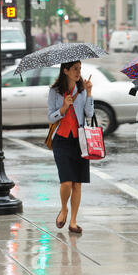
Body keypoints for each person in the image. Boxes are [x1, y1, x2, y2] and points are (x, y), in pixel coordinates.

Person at [47, 60, 94, 234]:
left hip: (80, 141)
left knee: (77, 184)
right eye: (75, 69)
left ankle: (73, 221)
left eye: (80, 69)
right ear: (65, 70)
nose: (78, 72)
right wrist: (63, 108)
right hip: (61, 139)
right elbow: (50, 118)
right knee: (66, 182)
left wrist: (89, 93)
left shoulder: (81, 90)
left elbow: (89, 114)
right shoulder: (54, 91)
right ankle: (64, 208)